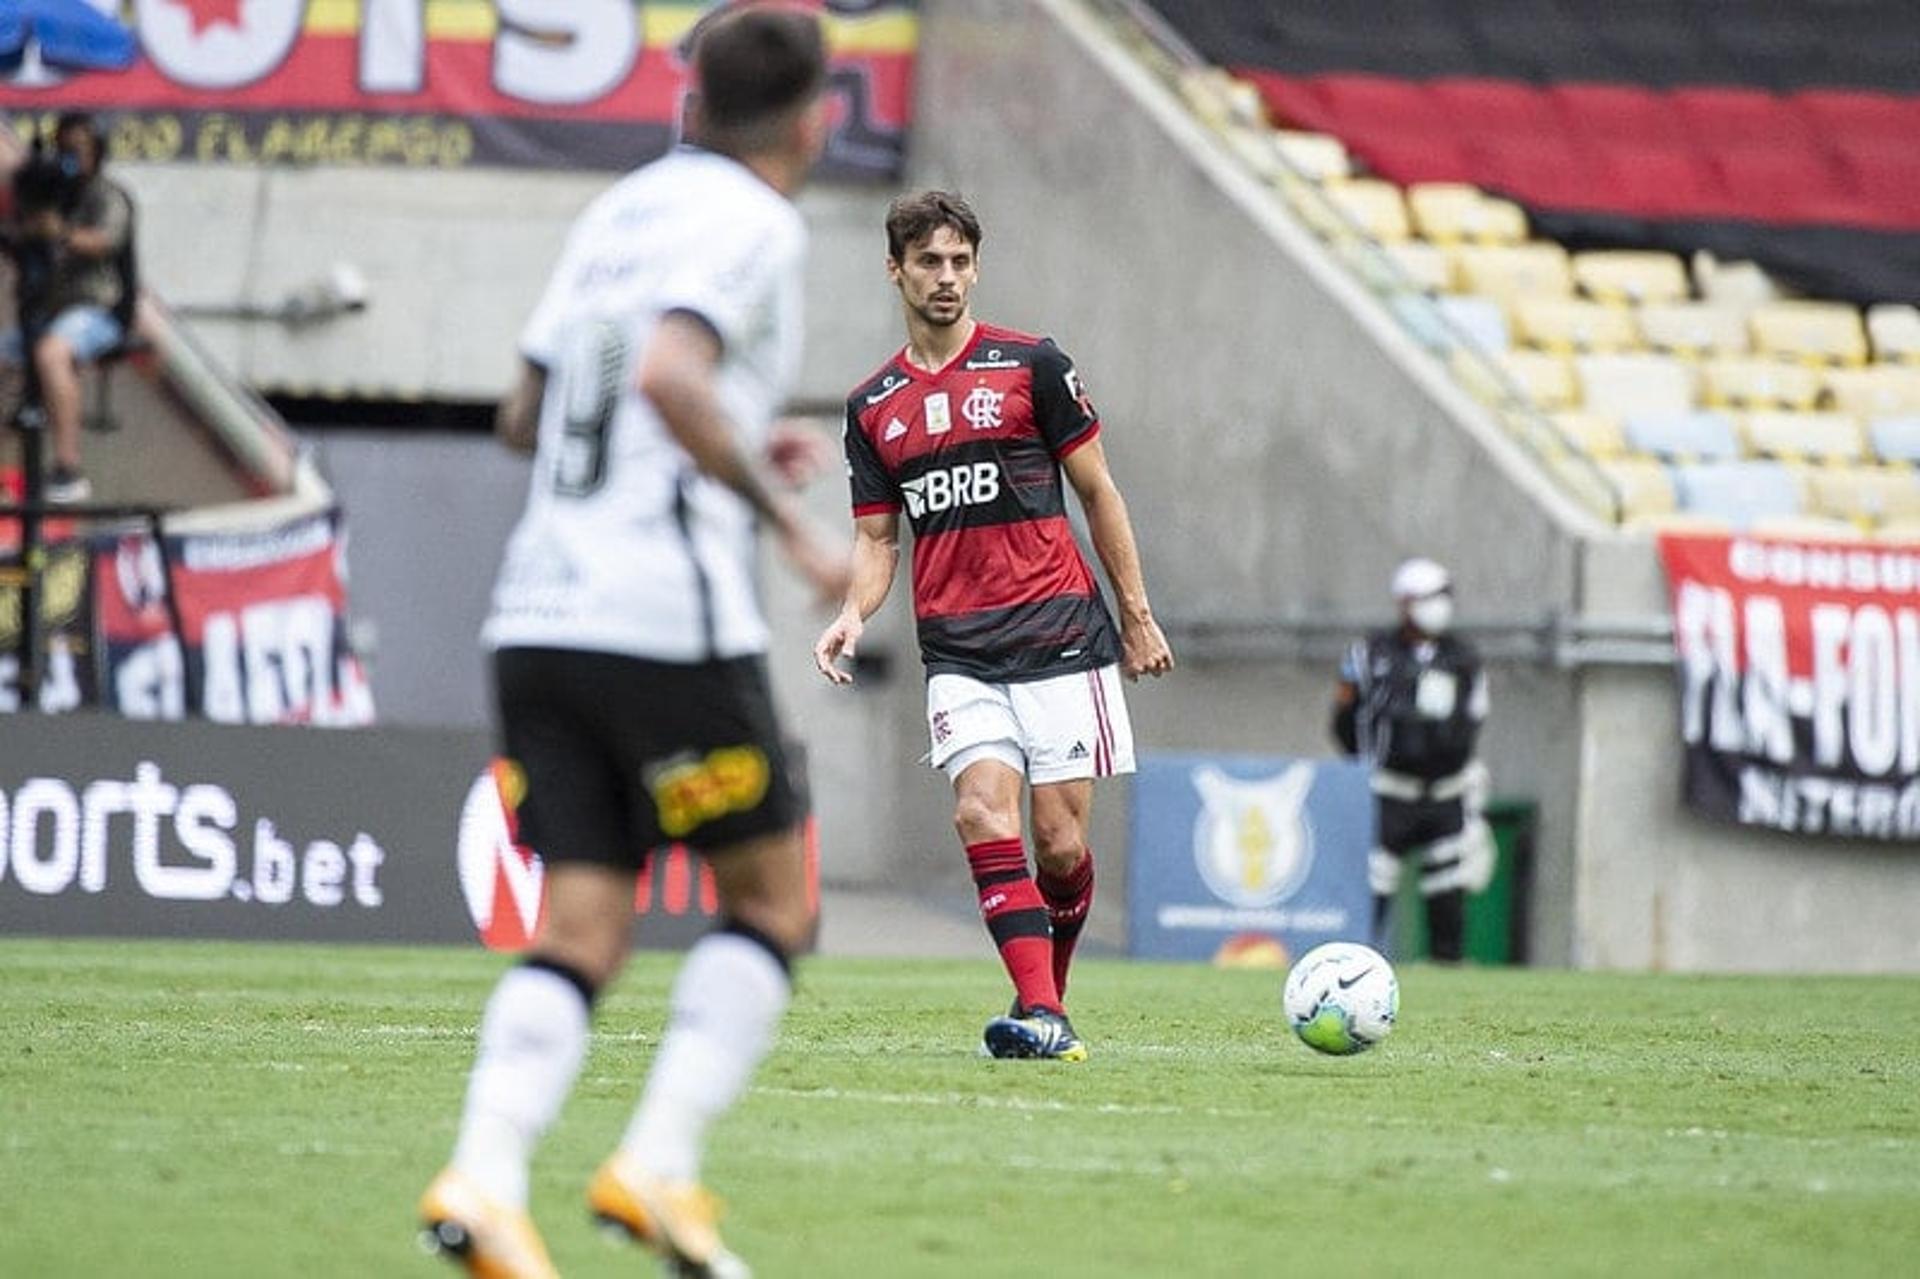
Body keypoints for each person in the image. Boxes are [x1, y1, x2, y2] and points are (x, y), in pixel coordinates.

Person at [417, 9, 847, 1278]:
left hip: (538, 612)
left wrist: (726, 433)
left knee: (586, 925)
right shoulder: (755, 221)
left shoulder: (618, 211)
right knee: (772, 897)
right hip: (662, 616)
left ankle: (486, 1183)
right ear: (818, 115)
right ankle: (657, 1167)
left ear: (690, 101)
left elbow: (526, 414)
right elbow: (668, 371)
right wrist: (787, 522)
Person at [813, 190, 1173, 1062]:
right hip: (959, 652)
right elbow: (875, 538)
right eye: (929, 262)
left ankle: (1043, 994)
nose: (948, 278)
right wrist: (853, 612)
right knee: (980, 811)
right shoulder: (873, 408)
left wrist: (1136, 613)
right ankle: (1045, 1016)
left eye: (961, 261)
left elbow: (1098, 491)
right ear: (894, 269)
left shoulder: (1032, 366)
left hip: (1058, 635)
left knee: (1059, 843)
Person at [1331, 557, 1493, 964]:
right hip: (1388, 789)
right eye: (1429, 597)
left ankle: (1448, 964)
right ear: (1404, 602)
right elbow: (1344, 717)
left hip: (1445, 791)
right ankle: (1358, 963)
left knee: (1448, 883)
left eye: (1444, 596)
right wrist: (1364, 763)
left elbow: (1474, 718)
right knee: (1375, 882)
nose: (1439, 605)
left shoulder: (1464, 658)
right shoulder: (1371, 653)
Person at [1, 112, 136, 504]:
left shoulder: (107, 195)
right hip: (49, 310)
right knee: (9, 355)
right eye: (65, 147)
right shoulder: (52, 193)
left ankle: (67, 467)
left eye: (80, 148)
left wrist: (58, 231)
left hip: (101, 310)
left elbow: (104, 240)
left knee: (51, 353)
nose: (71, 157)